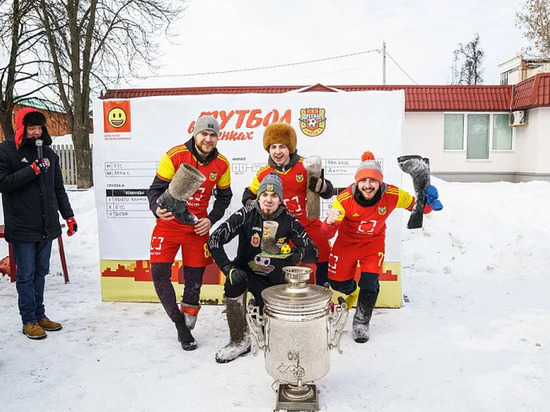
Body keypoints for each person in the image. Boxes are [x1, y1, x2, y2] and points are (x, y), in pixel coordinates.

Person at [322, 151, 443, 344]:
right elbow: (326, 234)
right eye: (363, 180)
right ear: (357, 182)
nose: (368, 185)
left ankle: (361, 322)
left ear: (380, 182)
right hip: (347, 245)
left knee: (370, 283)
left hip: (373, 244)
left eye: (373, 180)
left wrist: (427, 200)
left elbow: (420, 209)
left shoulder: (393, 194)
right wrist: (329, 222)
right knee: (338, 284)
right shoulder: (344, 199)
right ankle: (352, 291)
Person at [208, 172, 318, 363]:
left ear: (280, 200)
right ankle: (239, 341)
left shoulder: (288, 219)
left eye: (274, 196)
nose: (268, 200)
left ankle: (258, 311)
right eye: (264, 195)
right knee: (233, 283)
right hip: (245, 272)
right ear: (258, 197)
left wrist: (296, 255)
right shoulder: (246, 213)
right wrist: (227, 268)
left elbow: (312, 250)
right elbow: (215, 239)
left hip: (272, 281)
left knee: (272, 337)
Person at [147, 115, 232, 351]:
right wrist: (156, 209)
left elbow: (225, 197)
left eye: (213, 135)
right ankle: (179, 325)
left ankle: (188, 317)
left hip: (197, 227)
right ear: (195, 134)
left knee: (194, 280)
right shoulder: (174, 155)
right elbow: (154, 190)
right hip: (169, 225)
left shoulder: (222, 164)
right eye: (204, 133)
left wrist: (210, 219)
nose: (208, 139)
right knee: (159, 274)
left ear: (217, 138)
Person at [0, 107, 78, 340]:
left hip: (46, 225)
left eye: (39, 128)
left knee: (41, 273)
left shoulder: (49, 153)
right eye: (31, 128)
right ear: (21, 128)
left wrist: (68, 216)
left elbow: (57, 188)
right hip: (22, 225)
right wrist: (31, 170)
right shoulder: (6, 152)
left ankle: (40, 314)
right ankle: (29, 320)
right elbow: (3, 184)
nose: (35, 133)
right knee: (26, 274)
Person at [242, 122, 333, 286]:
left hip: (310, 226)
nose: (277, 152)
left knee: (323, 260)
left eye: (282, 146)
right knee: (280, 269)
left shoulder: (305, 165)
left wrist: (323, 186)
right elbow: (247, 196)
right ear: (268, 149)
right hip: (283, 230)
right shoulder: (264, 173)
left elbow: (327, 191)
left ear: (290, 148)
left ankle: (324, 297)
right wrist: (257, 204)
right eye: (273, 147)